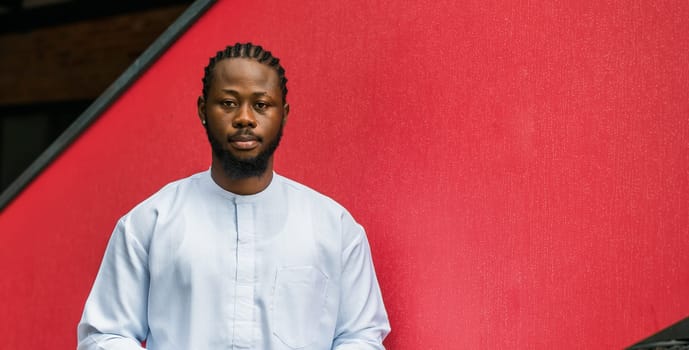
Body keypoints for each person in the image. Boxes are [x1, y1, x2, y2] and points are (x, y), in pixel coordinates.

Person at [76, 42, 390, 350]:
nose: (244, 118)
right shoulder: (150, 222)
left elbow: (360, 337)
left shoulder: (333, 227)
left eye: (261, 104)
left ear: (284, 114)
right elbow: (103, 336)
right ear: (202, 110)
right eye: (228, 103)